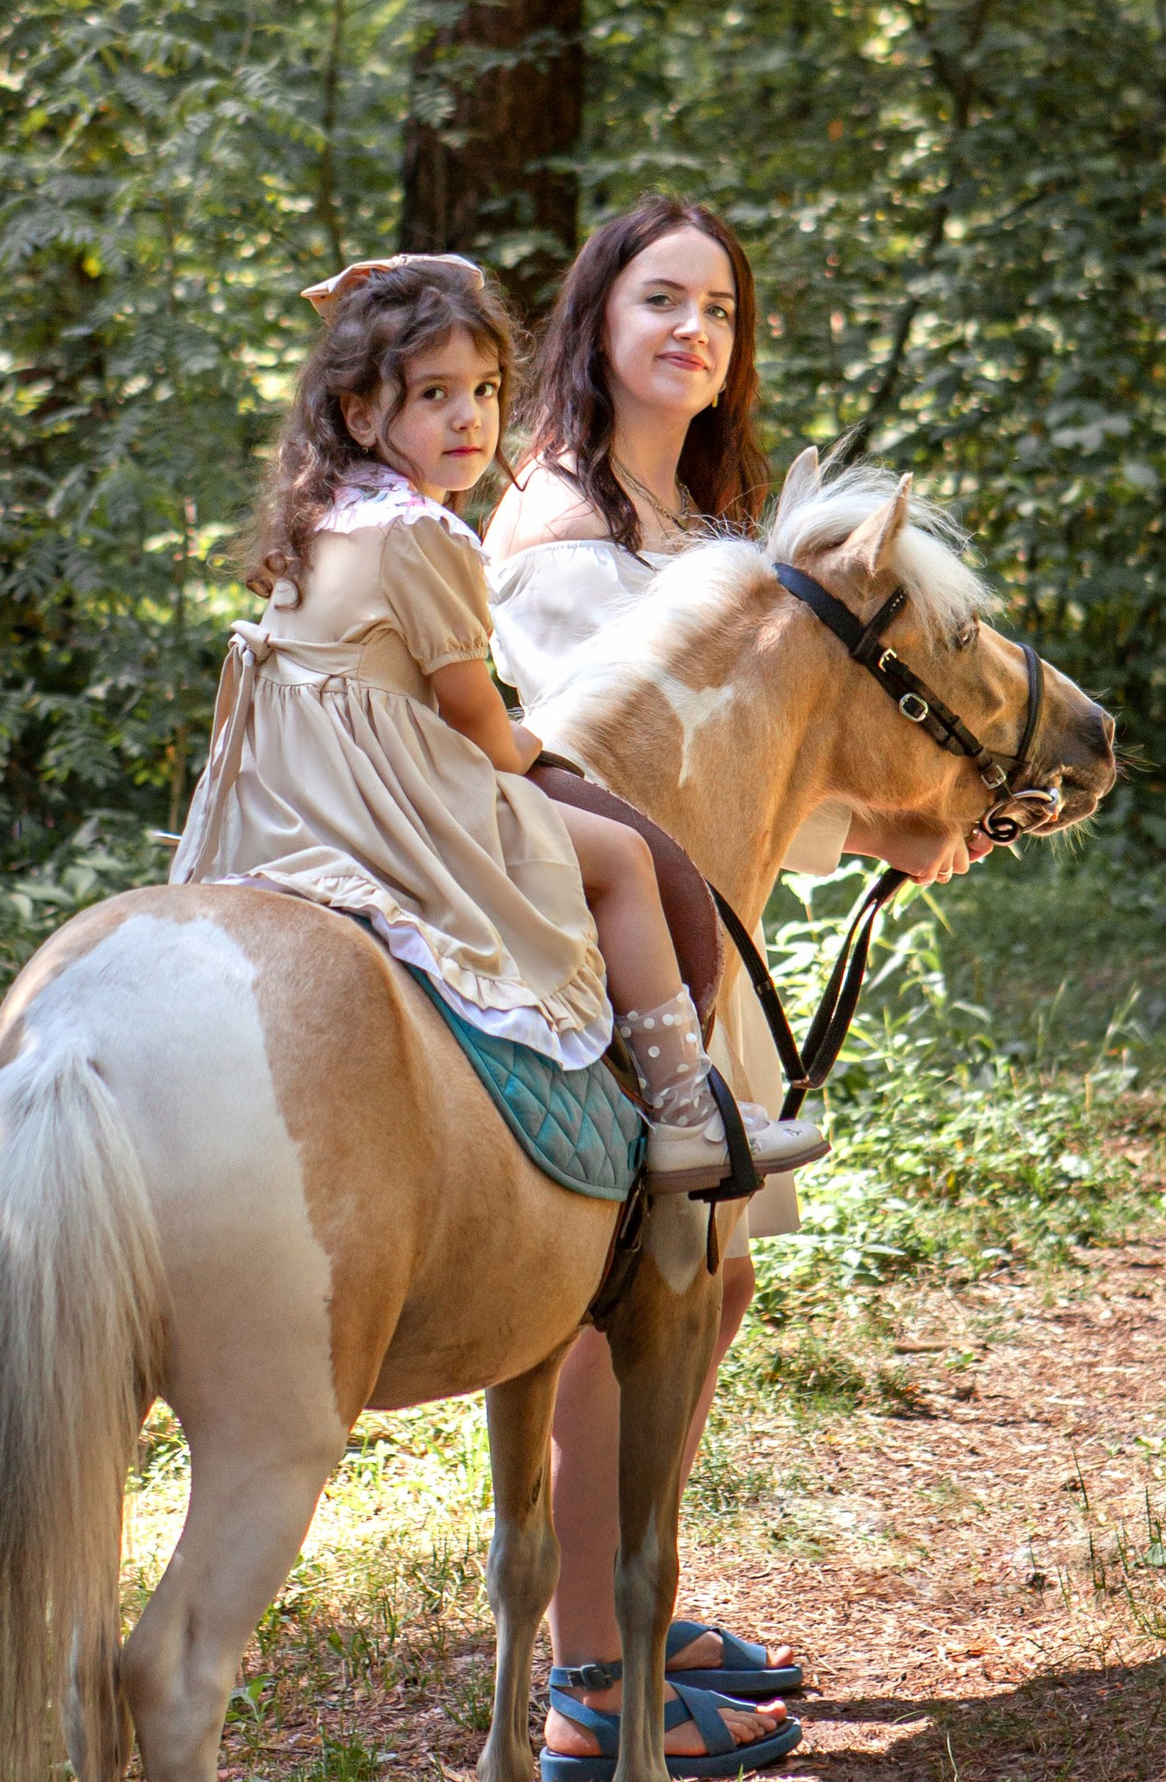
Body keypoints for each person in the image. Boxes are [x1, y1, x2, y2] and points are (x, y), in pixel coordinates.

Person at [169, 250, 808, 1196]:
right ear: (360, 414)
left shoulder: (329, 513)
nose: (468, 417)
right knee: (622, 861)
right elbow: (476, 723)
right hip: (385, 795)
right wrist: (533, 749)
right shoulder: (424, 534)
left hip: (288, 794)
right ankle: (682, 1109)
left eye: (484, 390)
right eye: (432, 395)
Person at [485, 196, 819, 1776]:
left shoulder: (692, 526)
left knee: (714, 1287)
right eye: (663, 301)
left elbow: (746, 777)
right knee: (623, 1312)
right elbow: (600, 780)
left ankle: (644, 1597)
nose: (696, 333)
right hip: (607, 968)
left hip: (705, 945)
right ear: (596, 323)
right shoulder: (560, 536)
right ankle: (591, 1683)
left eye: (722, 313)